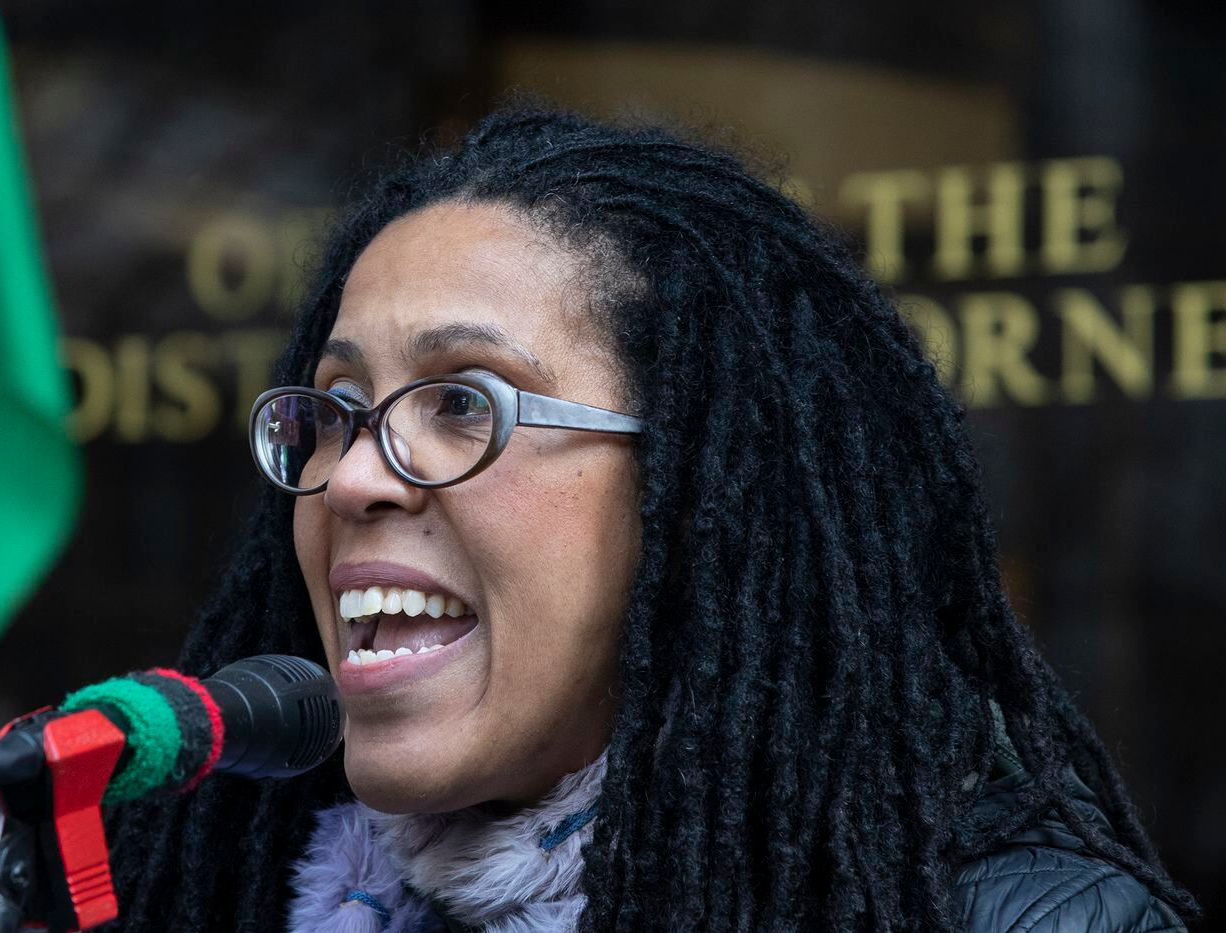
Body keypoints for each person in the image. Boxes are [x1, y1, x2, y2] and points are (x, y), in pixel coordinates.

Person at [105, 107, 1199, 931]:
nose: (351, 480)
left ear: (692, 494)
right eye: (338, 411)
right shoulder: (223, 886)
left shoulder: (1016, 917)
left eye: (462, 402)